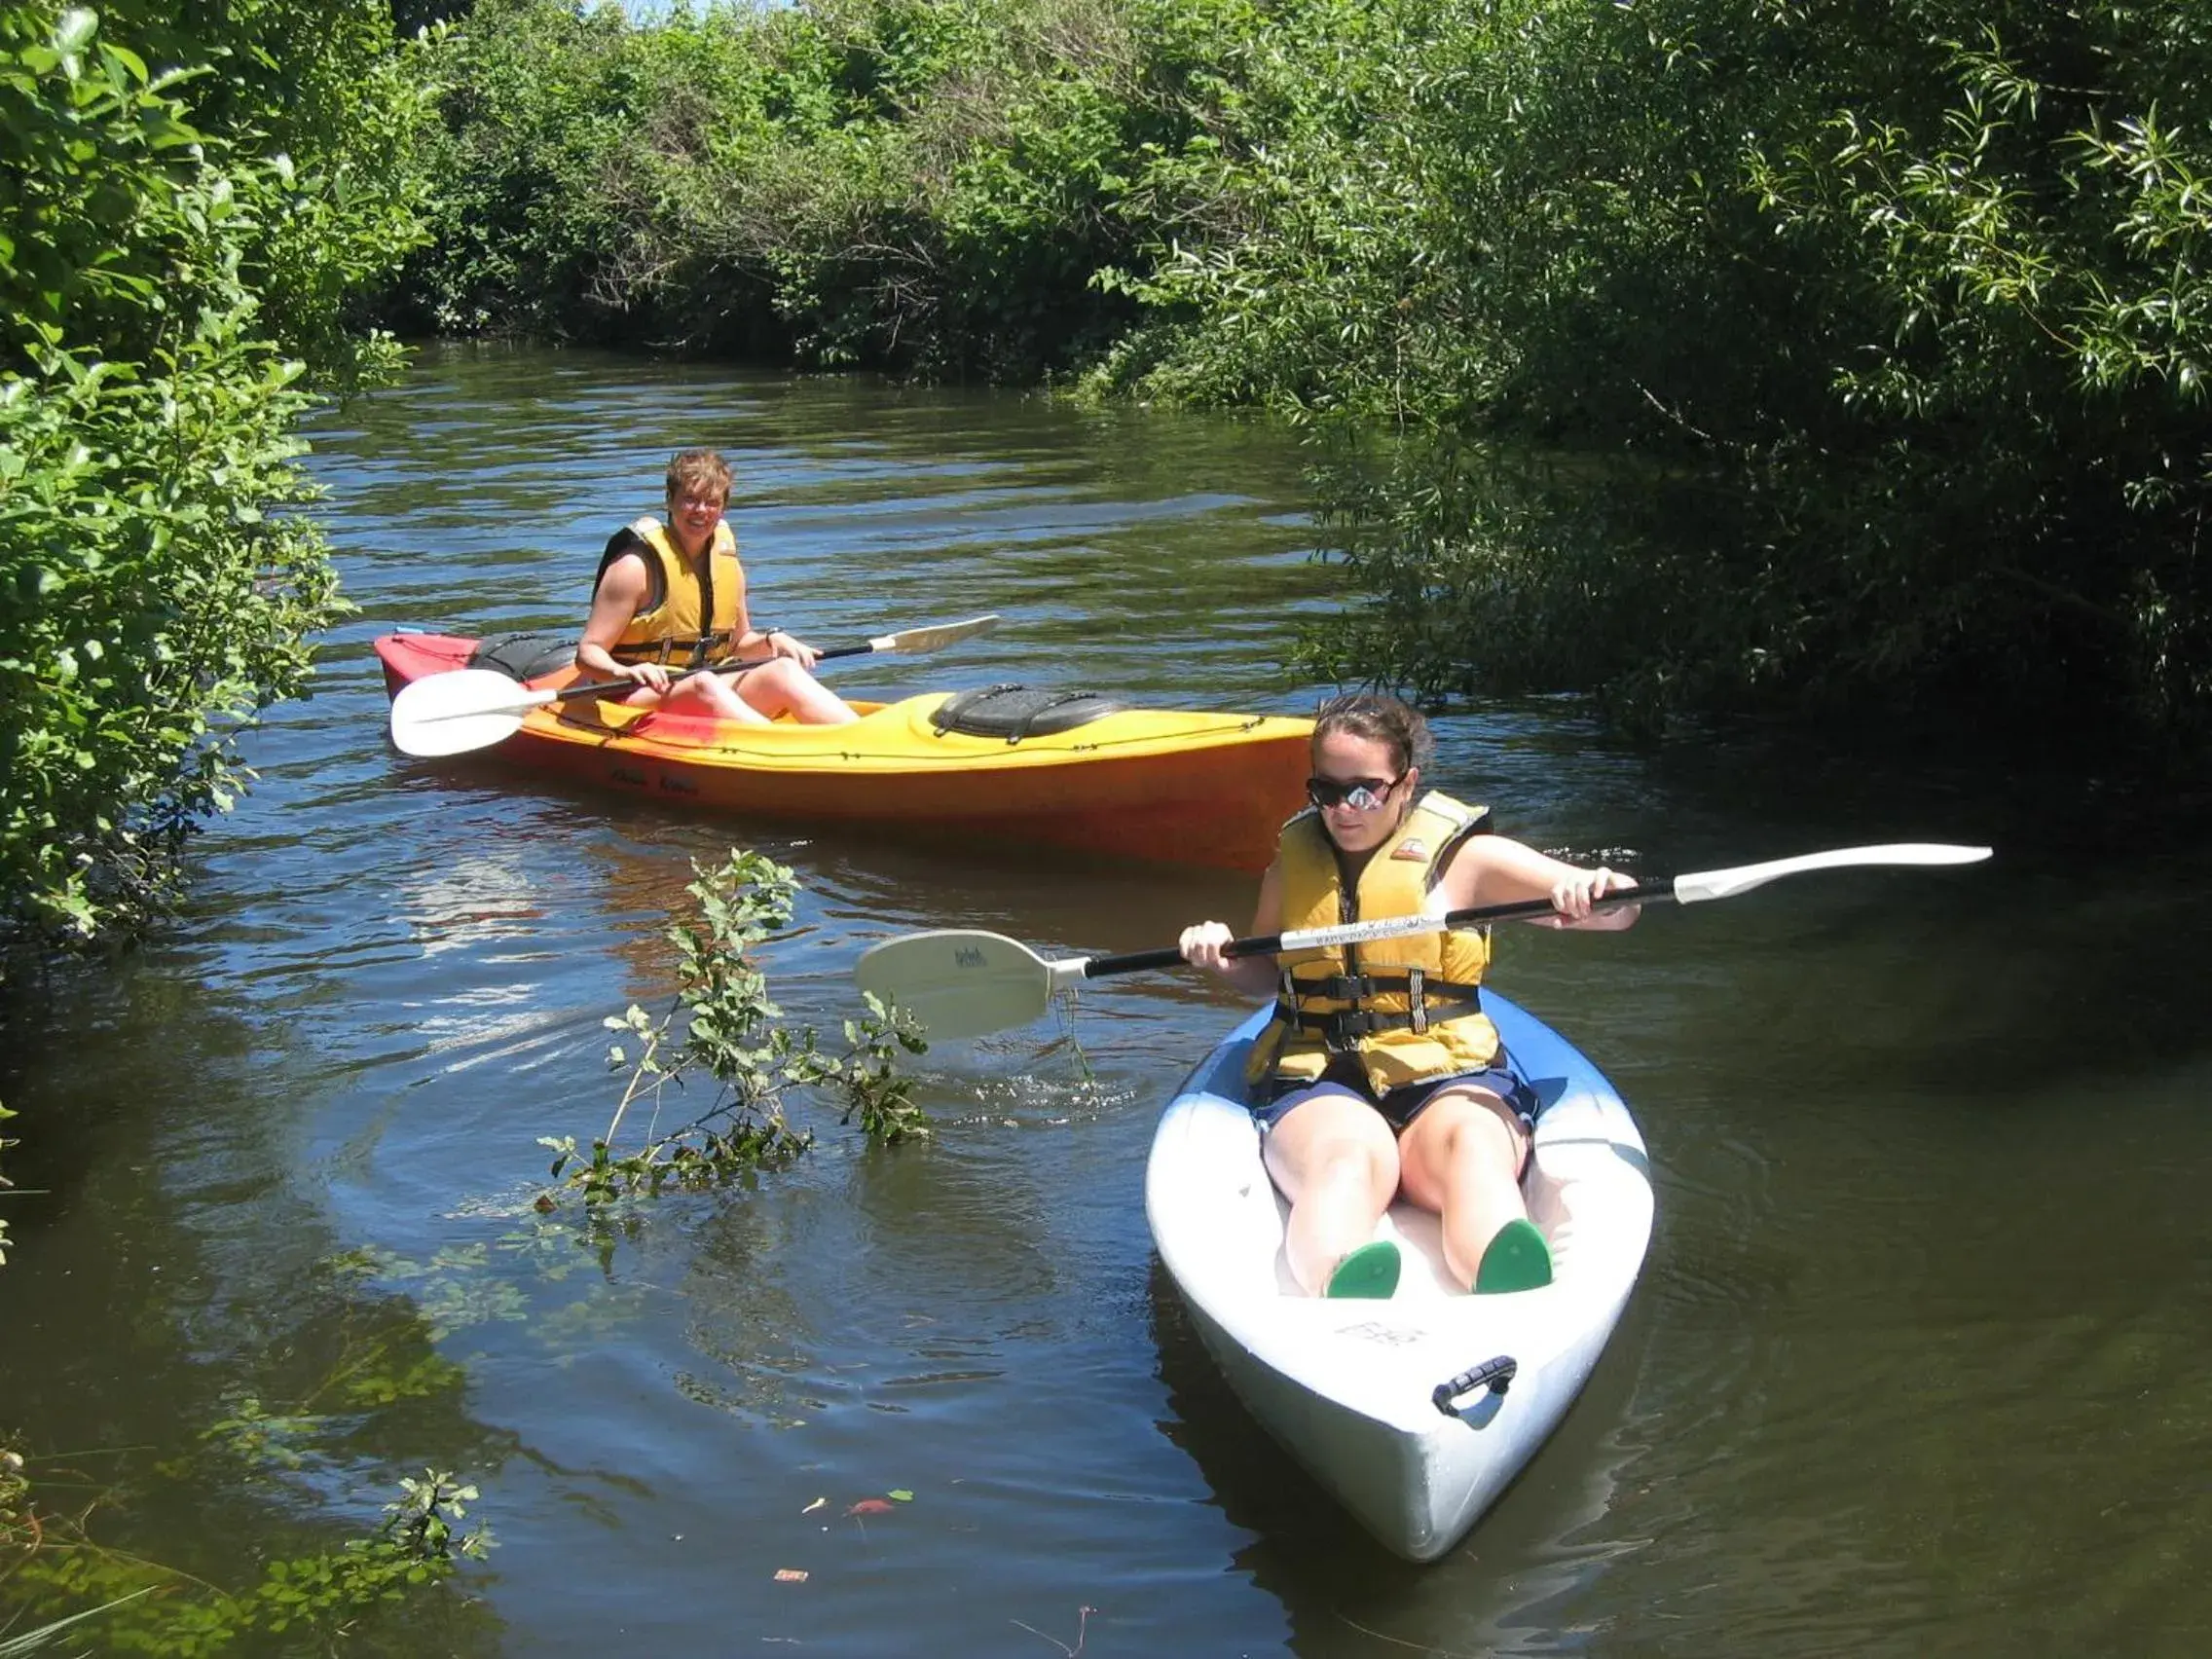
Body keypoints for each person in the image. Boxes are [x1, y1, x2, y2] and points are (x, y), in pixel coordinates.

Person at [1178, 691, 1639, 1300]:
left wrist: (1603, 890)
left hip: (1444, 1072)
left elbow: (1615, 911)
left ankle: (1505, 1274)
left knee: (1473, 1150)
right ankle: (1339, 1273)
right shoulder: (1291, 870)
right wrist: (1222, 957)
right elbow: (1268, 977)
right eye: (1328, 791)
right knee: (1345, 1161)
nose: (1345, 810)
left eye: (1365, 790)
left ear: (1406, 782)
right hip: (1327, 1077)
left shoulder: (1467, 860)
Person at [574, 448, 858, 725]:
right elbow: (588, 653)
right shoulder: (634, 568)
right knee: (702, 683)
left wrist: (771, 641)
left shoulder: (726, 563)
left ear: (723, 507)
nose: (701, 510)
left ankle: (858, 737)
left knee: (782, 669)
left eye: (711, 502)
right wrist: (624, 671)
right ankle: (773, 748)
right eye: (690, 499)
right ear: (669, 501)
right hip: (631, 696)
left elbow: (738, 644)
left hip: (704, 683)